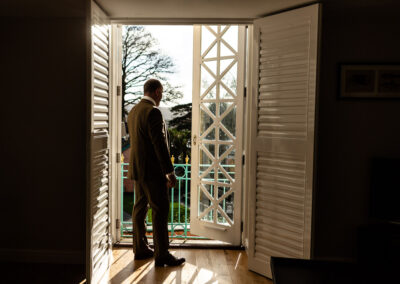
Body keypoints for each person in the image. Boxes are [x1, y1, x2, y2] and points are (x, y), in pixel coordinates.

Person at [127, 79, 185, 267]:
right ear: (157, 92)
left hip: (137, 170)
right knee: (160, 210)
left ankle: (140, 248)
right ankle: (162, 255)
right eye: (161, 93)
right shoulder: (153, 112)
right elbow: (159, 145)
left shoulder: (133, 111)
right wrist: (169, 172)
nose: (162, 97)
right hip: (152, 172)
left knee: (139, 208)